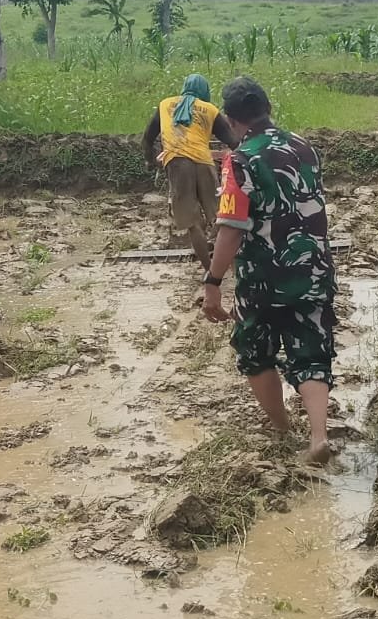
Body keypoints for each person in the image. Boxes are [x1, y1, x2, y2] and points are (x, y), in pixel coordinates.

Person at [201, 76, 336, 464]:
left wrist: (213, 281)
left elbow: (230, 228)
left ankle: (280, 428)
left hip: (264, 278)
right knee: (311, 351)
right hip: (313, 269)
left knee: (255, 352)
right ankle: (318, 437)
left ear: (230, 119)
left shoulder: (240, 160)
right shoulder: (304, 147)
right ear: (268, 109)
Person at [141, 73, 239, 265]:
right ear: (205, 92)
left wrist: (150, 161)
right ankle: (230, 265)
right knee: (221, 216)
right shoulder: (210, 109)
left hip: (177, 164)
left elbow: (147, 139)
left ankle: (209, 272)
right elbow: (233, 141)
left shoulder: (165, 105)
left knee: (193, 224)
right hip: (204, 162)